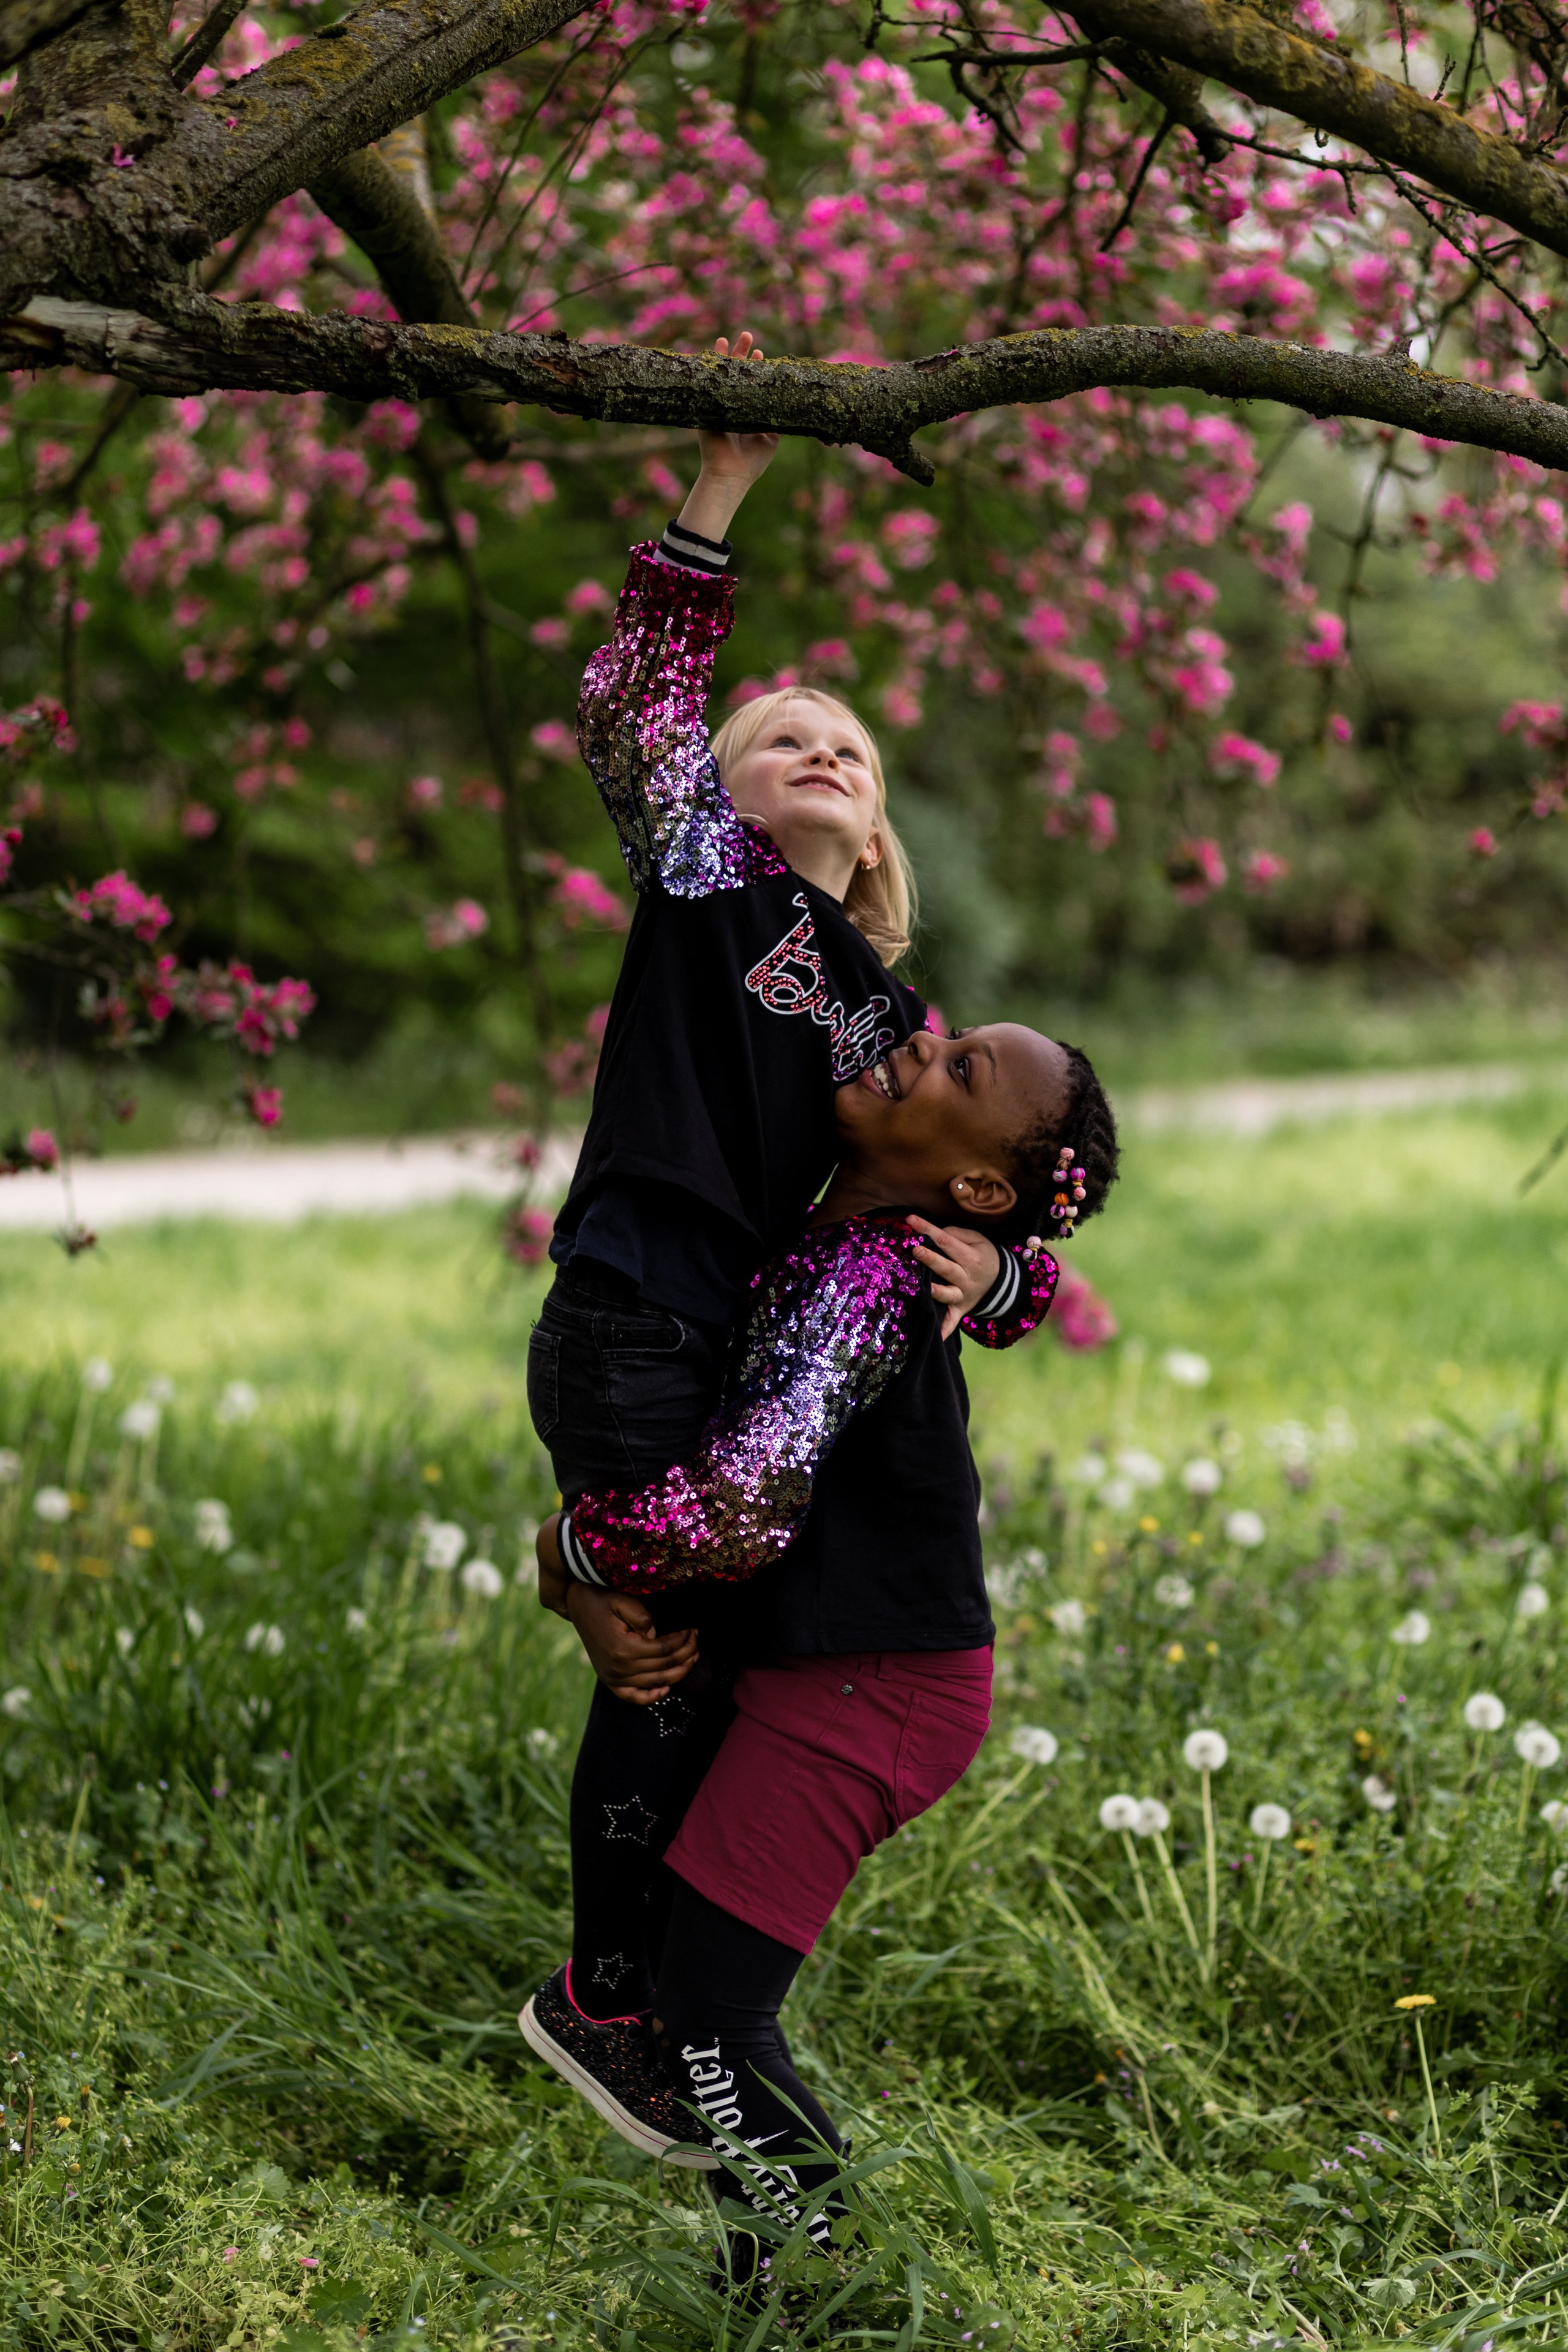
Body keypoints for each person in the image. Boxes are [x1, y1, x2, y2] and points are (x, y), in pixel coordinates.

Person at [524, 331, 1043, 2150]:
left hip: (731, 1351)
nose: (817, 749)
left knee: (716, 1654)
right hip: (640, 1308)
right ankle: (609, 1993)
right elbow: (636, 705)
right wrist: (721, 485)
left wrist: (1012, 1282)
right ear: (720, 798)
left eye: (848, 746)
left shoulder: (888, 1023)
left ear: (881, 824)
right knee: (659, 1642)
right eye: (777, 740)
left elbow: (992, 1185)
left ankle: (660, 1995)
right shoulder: (708, 890)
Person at [530, 1017, 1120, 2258]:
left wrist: (577, 1552)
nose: (923, 1043)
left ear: (973, 1188)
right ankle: (780, 2284)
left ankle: (826, 2289)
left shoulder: (867, 1276)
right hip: (829, 1666)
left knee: (710, 2022)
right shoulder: (865, 1235)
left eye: (961, 1068)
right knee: (696, 2017)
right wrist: (1015, 1278)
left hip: (873, 1689)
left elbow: (740, 1510)